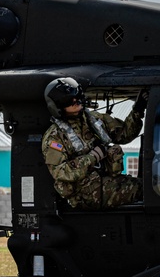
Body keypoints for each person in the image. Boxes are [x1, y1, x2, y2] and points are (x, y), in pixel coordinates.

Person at [41, 77, 148, 210]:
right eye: (68, 101)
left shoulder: (94, 120)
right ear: (57, 106)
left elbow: (124, 134)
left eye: (77, 96)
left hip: (106, 182)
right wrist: (92, 157)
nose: (75, 101)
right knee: (145, 191)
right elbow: (61, 172)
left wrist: (137, 110)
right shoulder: (55, 137)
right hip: (86, 194)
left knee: (149, 187)